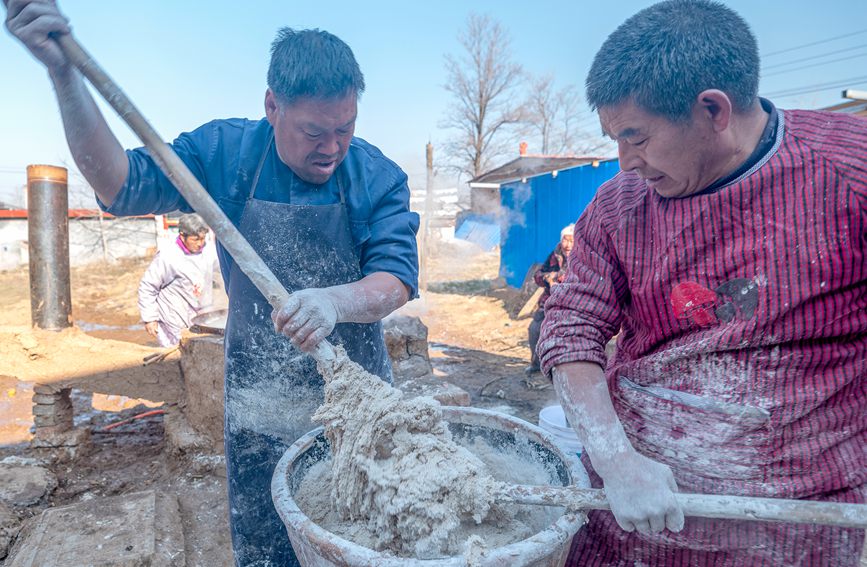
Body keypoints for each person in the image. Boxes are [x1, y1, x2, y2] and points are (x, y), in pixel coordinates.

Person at [6, 4, 419, 566]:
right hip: (258, 402)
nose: (332, 148)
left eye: (345, 129)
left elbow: (395, 279)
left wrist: (334, 301)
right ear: (272, 105)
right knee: (269, 552)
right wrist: (63, 74)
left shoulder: (375, 175)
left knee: (359, 546)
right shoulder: (225, 154)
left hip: (357, 405)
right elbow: (118, 184)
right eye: (314, 132)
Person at [537, 1, 866, 565]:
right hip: (634, 511)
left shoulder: (847, 174)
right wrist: (615, 460)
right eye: (614, 138)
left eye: (636, 137)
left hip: (796, 523)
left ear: (713, 109)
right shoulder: (619, 207)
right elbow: (571, 326)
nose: (625, 161)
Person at [138, 213, 217, 347]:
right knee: (178, 352)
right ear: (182, 235)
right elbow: (148, 287)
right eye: (195, 239)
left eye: (203, 238)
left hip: (201, 311)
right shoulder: (168, 256)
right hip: (174, 315)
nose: (200, 243)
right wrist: (150, 318)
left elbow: (221, 272)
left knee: (200, 349)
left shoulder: (209, 250)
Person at [526, 223, 573, 375]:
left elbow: (576, 278)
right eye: (565, 240)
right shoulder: (555, 254)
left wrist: (557, 279)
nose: (567, 245)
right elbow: (538, 275)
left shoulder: (581, 255)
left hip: (571, 303)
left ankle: (562, 366)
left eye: (571, 241)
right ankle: (537, 363)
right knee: (535, 328)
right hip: (549, 300)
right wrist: (546, 278)